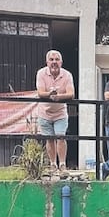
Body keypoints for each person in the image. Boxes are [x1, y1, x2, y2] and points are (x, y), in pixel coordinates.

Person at [36, 50, 76, 178]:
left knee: (61, 137)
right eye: (52, 59)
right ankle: (53, 164)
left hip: (60, 112)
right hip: (44, 112)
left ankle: (62, 164)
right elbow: (40, 92)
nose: (54, 62)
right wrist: (50, 94)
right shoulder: (41, 73)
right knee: (49, 139)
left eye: (57, 59)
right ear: (47, 62)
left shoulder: (67, 75)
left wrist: (58, 97)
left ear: (61, 62)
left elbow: (71, 94)